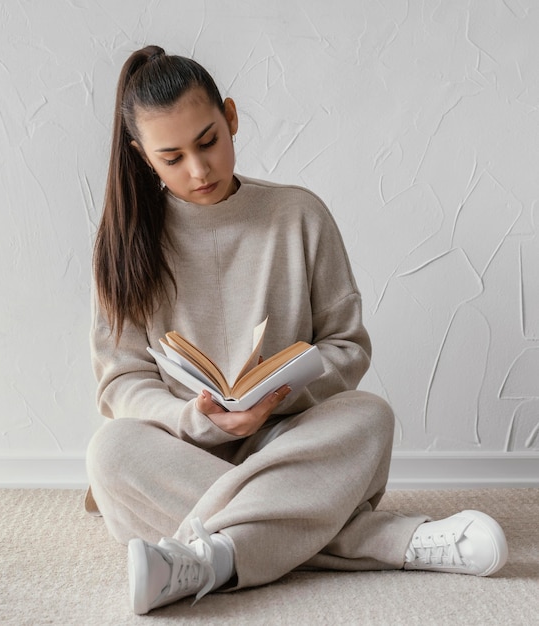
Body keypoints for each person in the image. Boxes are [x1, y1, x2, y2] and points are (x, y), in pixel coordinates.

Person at [85, 45, 508, 615]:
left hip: (288, 438)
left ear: (231, 117)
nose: (198, 169)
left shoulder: (299, 215)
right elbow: (121, 382)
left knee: (369, 416)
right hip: (184, 450)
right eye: (172, 156)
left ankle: (205, 558)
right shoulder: (124, 245)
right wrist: (195, 418)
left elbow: (347, 345)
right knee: (112, 451)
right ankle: (382, 541)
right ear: (142, 158)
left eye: (208, 141)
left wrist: (277, 394)